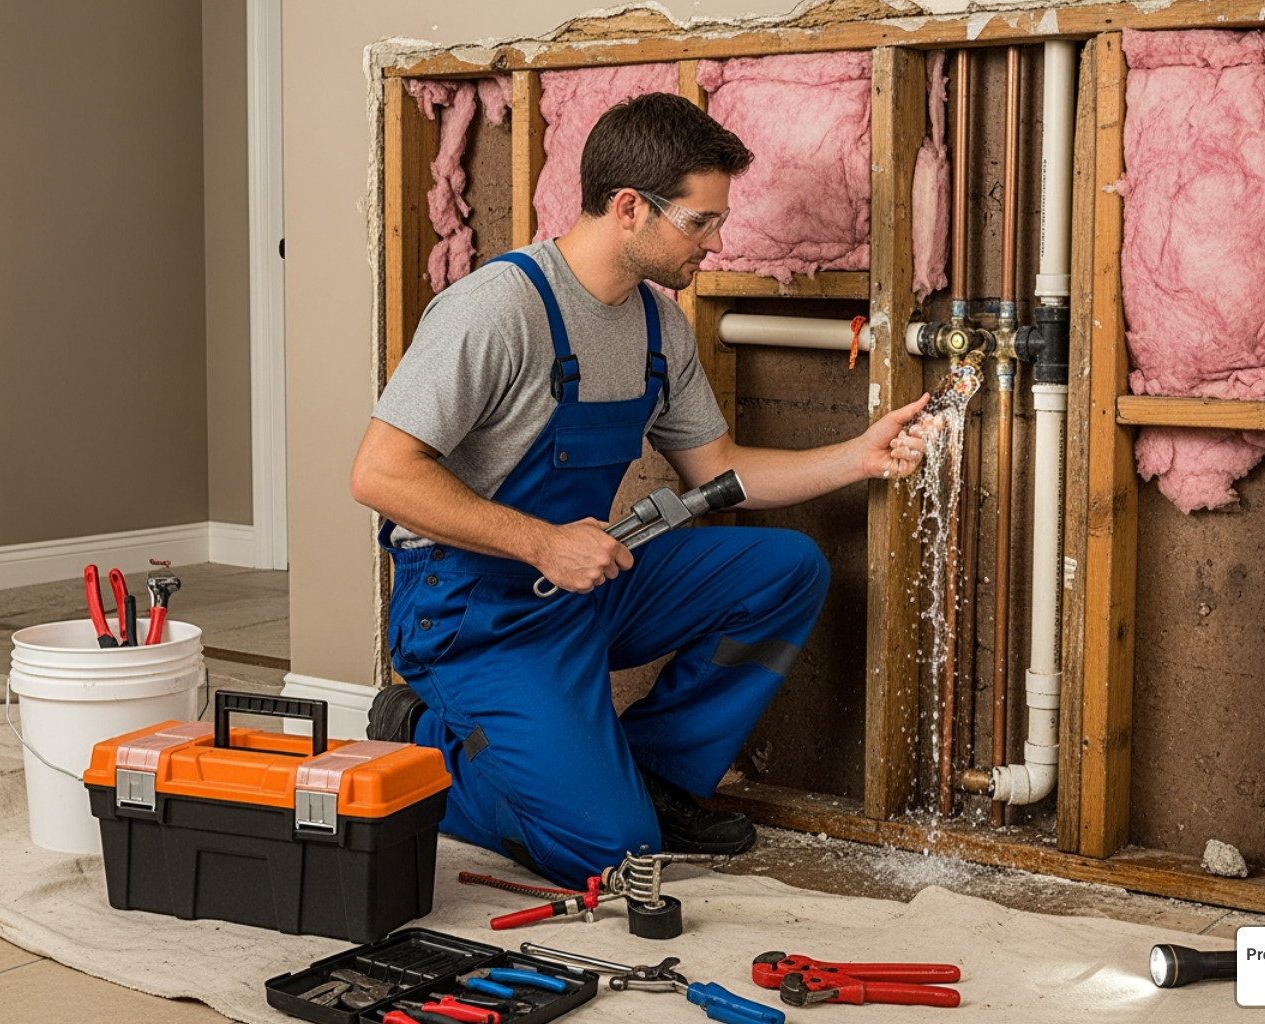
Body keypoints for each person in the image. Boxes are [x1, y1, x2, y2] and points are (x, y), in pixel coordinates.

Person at [350, 92, 932, 888]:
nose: (716, 242)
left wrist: (855, 459)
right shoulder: (497, 309)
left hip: (586, 585)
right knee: (609, 855)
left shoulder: (659, 326)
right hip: (475, 610)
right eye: (700, 221)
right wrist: (541, 543)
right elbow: (379, 474)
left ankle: (653, 772)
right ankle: (422, 741)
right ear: (629, 208)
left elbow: (717, 468)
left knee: (785, 571)